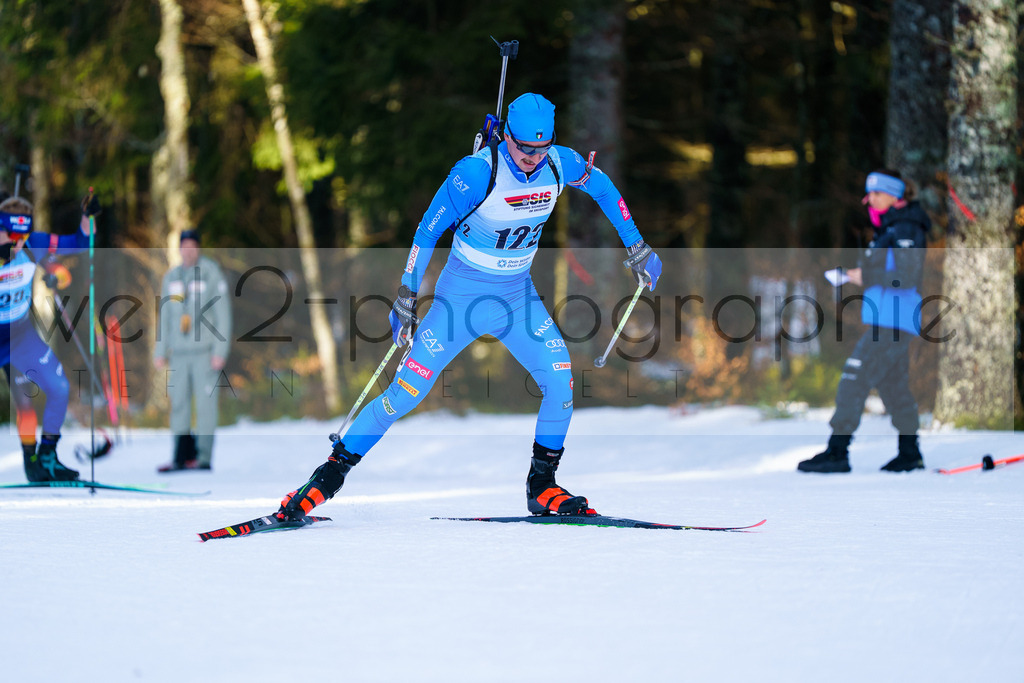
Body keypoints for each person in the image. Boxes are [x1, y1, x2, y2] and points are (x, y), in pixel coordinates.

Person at [274, 92, 662, 521]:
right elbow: (427, 230)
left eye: (541, 147)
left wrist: (638, 247)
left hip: (517, 299)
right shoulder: (477, 173)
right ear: (507, 136)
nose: (533, 158)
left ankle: (542, 486)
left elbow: (605, 189)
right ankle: (325, 479)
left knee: (560, 380)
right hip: (460, 302)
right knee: (404, 395)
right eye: (524, 147)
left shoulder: (558, 162)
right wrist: (406, 294)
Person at [799, 169, 929, 474]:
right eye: (868, 194)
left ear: (894, 194)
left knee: (854, 378)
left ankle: (837, 452)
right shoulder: (892, 227)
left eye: (875, 194)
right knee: (894, 387)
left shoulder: (906, 226)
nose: (868, 199)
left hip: (893, 323)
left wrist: (864, 275)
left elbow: (907, 276)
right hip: (889, 320)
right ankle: (910, 453)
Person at [1, 194, 98, 481]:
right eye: (12, 237)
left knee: (58, 388)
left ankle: (45, 459)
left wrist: (87, 218)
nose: (19, 244)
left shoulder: (33, 243)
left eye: (24, 236)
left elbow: (80, 243)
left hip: (19, 336)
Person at [154, 230, 231, 472]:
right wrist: (160, 349)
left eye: (192, 246)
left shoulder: (211, 272)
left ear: (198, 248)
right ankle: (181, 455)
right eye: (184, 246)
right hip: (178, 352)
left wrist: (221, 349)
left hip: (204, 351)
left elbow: (223, 314)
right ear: (179, 249)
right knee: (178, 403)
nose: (188, 251)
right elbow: (165, 316)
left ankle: (203, 457)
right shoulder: (172, 276)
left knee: (205, 404)